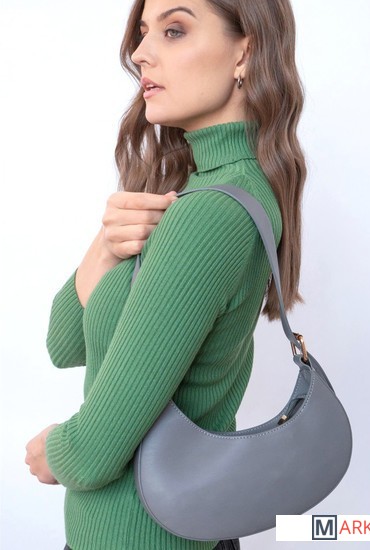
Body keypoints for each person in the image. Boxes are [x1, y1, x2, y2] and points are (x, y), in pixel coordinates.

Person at [25, 0, 306, 548]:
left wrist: (55, 450)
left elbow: (93, 453)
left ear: (245, 52)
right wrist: (106, 244)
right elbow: (66, 343)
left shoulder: (213, 212)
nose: (139, 53)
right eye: (143, 32)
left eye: (174, 30)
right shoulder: (201, 191)